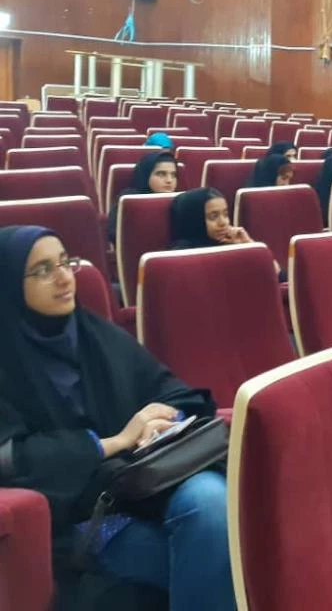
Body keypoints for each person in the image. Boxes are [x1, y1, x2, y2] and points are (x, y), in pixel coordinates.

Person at [0, 226, 232, 610]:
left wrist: (159, 422)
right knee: (217, 559)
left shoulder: (95, 334)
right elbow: (12, 456)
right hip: (85, 515)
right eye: (42, 270)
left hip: (152, 480)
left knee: (210, 502)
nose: (63, 278)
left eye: (65, 263)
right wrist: (115, 442)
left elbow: (174, 391)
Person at [106, 152, 178, 243]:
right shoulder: (129, 199)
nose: (169, 180)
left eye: (174, 175)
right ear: (146, 175)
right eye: (161, 174)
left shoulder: (180, 200)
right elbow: (115, 234)